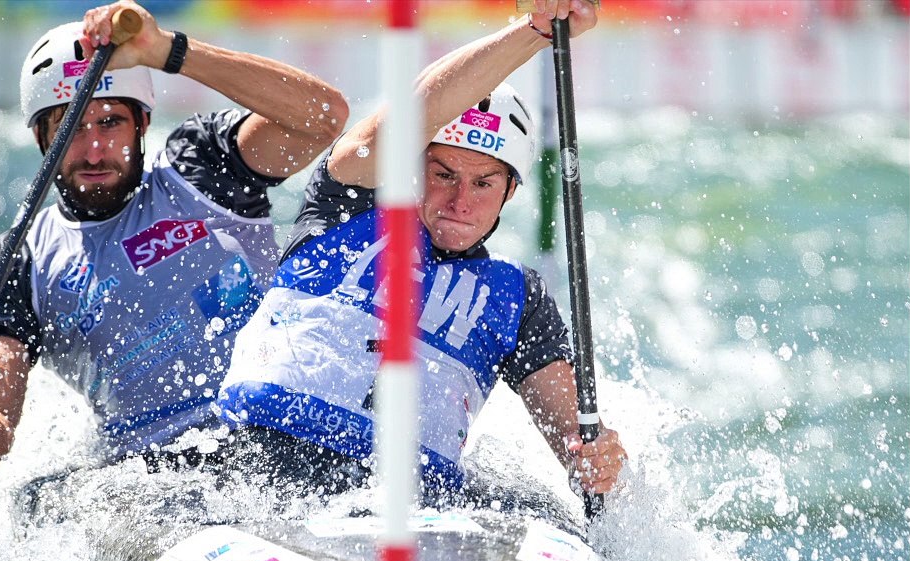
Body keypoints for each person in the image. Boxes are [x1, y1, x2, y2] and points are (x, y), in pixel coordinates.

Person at [0, 0, 349, 473]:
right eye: (71, 126)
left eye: (110, 122)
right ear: (41, 139)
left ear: (142, 124)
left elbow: (323, 118)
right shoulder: (18, 263)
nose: (94, 150)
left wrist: (167, 51)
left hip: (281, 430)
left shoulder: (202, 167)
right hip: (152, 478)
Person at [214, 0, 628, 507]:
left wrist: (595, 458)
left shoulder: (520, 300)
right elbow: (417, 111)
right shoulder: (346, 200)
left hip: (413, 503)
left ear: (510, 191)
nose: (460, 201)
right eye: (443, 174)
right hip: (256, 472)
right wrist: (535, 30)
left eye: (483, 183)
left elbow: (574, 437)